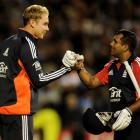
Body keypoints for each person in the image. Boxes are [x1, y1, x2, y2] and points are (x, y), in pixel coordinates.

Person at [0, 4, 80, 140]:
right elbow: (39, 80)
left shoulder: (7, 42)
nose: (47, 28)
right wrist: (66, 68)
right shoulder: (27, 44)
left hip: (3, 112)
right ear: (32, 22)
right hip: (19, 112)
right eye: (45, 24)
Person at [63, 29, 140, 140]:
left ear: (125, 47)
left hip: (137, 125)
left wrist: (128, 111)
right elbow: (91, 83)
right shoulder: (111, 66)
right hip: (120, 127)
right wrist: (79, 67)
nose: (111, 44)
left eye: (115, 41)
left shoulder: (137, 66)